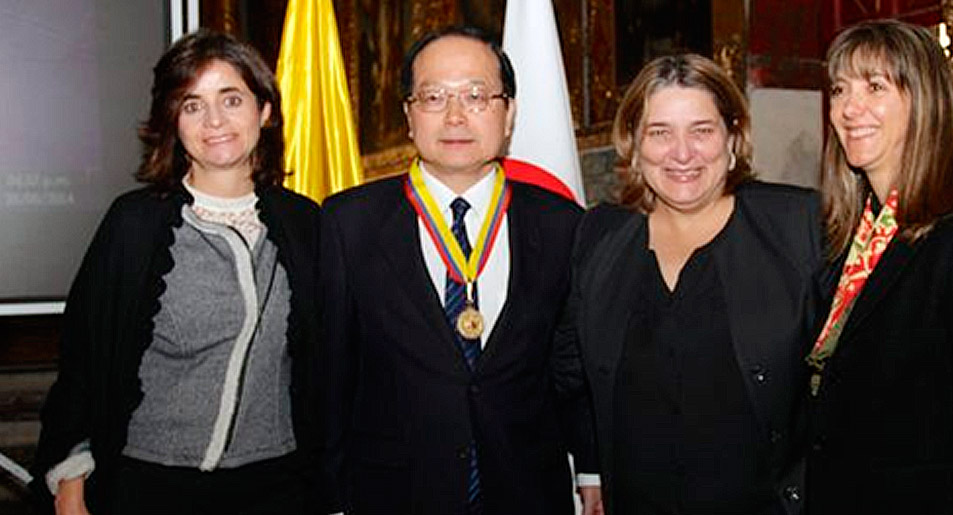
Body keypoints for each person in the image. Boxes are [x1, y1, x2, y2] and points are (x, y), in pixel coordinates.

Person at [30, 30, 320, 514]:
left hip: (277, 486)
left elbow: (326, 366)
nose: (214, 121)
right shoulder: (134, 224)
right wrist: (72, 479)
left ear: (265, 110)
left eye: (231, 99)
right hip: (150, 485)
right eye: (192, 105)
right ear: (173, 121)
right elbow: (83, 361)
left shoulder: (305, 223)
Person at [317, 25, 600, 515]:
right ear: (409, 115)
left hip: (526, 491)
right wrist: (331, 497)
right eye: (433, 97)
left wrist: (592, 468)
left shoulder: (561, 223)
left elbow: (571, 366)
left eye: (475, 96)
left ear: (508, 113)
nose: (454, 116)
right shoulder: (349, 222)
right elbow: (329, 374)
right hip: (394, 493)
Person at [556, 53, 821, 515]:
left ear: (732, 137)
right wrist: (592, 466)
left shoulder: (800, 226)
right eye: (660, 133)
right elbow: (571, 369)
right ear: (634, 144)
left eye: (701, 130)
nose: (682, 153)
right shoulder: (600, 236)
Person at [805, 19, 953, 514]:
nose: (848, 108)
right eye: (840, 89)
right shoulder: (851, 237)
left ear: (925, 102)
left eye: (875, 86)